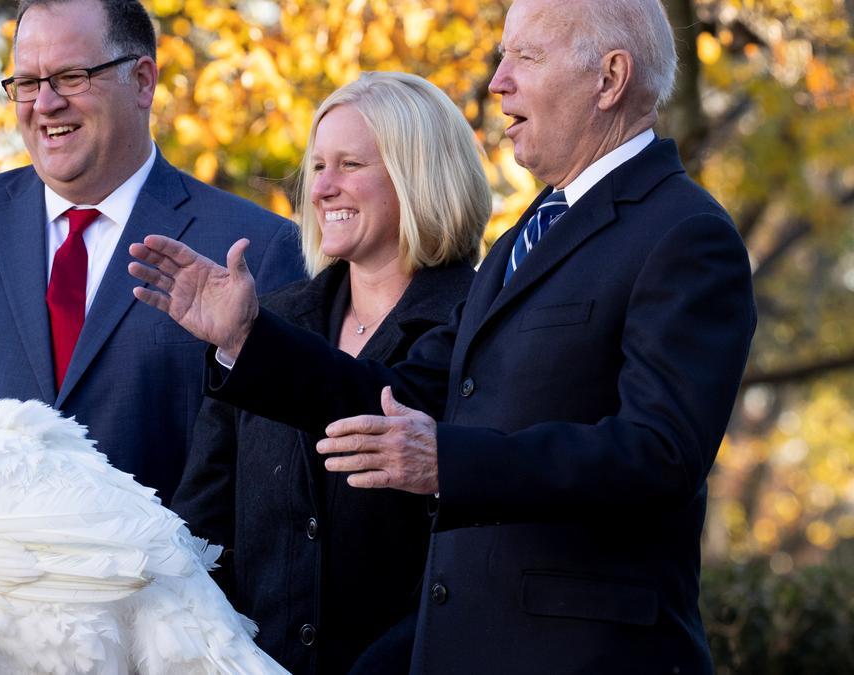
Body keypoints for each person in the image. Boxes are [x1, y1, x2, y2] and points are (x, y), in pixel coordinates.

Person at [129, 0, 758, 671]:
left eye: (526, 57)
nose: (498, 81)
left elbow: (659, 454)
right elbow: (403, 394)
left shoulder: (686, 234)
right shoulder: (530, 236)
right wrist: (248, 338)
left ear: (609, 79)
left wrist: (450, 464)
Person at [0, 0, 303, 500]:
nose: (45, 104)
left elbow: (277, 485)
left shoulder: (256, 249)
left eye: (71, 77)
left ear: (142, 82)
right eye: (27, 83)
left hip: (166, 576)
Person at [170, 72, 490, 675]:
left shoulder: (481, 323)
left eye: (348, 164)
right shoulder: (272, 318)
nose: (322, 188)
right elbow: (202, 529)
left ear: (417, 173)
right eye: (317, 167)